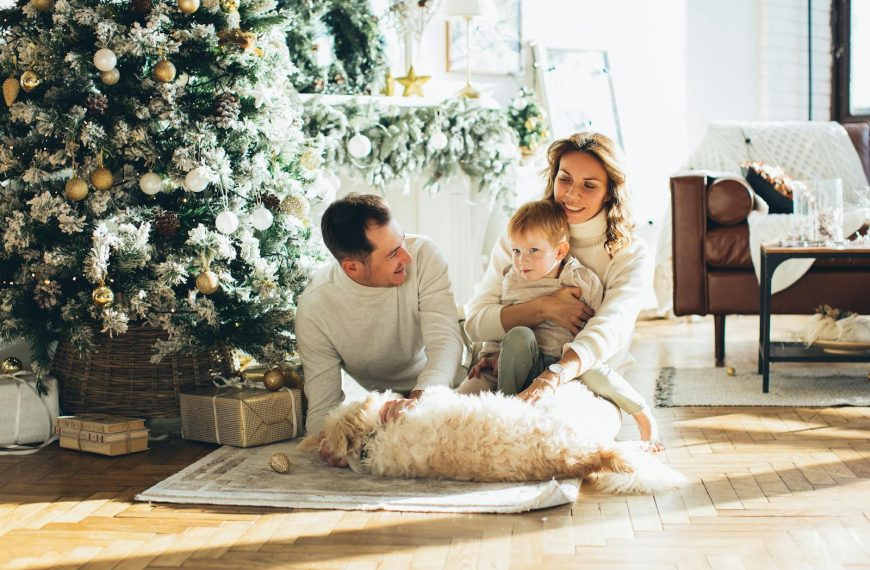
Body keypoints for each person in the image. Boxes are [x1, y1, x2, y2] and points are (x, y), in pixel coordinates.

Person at [465, 132, 661, 449]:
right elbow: (476, 321)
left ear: (610, 193)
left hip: (586, 378)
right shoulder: (521, 235)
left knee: (557, 440)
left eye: (589, 185)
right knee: (452, 428)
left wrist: (552, 377)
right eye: (565, 179)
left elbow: (609, 329)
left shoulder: (630, 253)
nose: (571, 194)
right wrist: (545, 307)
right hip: (507, 366)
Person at [296, 193, 464, 466]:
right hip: (380, 405)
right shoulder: (316, 307)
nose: (407, 256)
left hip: (445, 384)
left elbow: (445, 343)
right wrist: (333, 440)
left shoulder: (424, 255)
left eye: (402, 239)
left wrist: (419, 400)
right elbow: (321, 410)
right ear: (352, 267)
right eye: (392, 253)